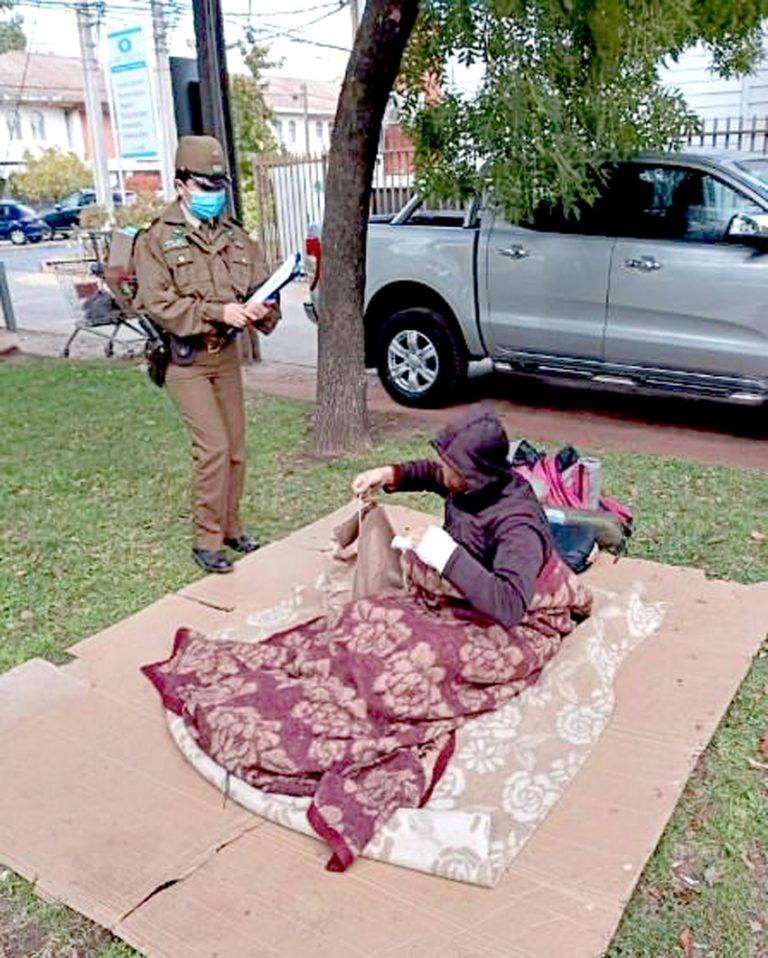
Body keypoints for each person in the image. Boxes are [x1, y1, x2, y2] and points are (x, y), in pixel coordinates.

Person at [134, 135, 280, 574]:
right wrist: (220, 311)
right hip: (186, 360)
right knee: (213, 447)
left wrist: (263, 308)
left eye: (220, 188)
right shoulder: (157, 240)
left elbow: (260, 285)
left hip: (225, 357)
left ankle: (232, 529)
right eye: (205, 187)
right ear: (181, 186)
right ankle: (206, 539)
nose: (213, 196)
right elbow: (160, 304)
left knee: (235, 448)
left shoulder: (235, 238)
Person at [351, 405, 554, 628]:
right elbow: (433, 474)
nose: (443, 470)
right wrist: (386, 475)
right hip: (467, 584)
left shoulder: (519, 526)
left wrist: (443, 552)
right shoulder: (473, 483)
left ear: (474, 472)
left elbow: (509, 604)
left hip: (494, 612)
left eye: (452, 466)